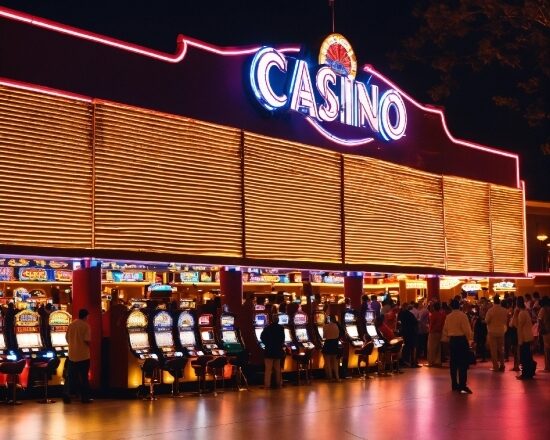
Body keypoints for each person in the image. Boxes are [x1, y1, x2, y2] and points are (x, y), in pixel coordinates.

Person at [442, 299, 473, 394]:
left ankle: (454, 384)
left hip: (453, 341)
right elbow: (467, 330)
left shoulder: (448, 317)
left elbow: (445, 330)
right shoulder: (463, 316)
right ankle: (462, 385)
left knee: (453, 364)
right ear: (459, 306)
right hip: (461, 340)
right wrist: (470, 340)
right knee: (463, 364)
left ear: (451, 307)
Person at [64, 308, 92, 403]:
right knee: (84, 377)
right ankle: (84, 398)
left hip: (72, 355)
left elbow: (67, 338)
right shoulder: (86, 326)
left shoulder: (71, 325)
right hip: (83, 355)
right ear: (86, 316)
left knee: (70, 377)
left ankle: (67, 396)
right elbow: (87, 340)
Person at [260, 314, 285, 389]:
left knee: (268, 369)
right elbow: (282, 339)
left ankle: (267, 385)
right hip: (277, 351)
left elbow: (262, 337)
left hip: (269, 351)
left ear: (271, 320)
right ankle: (279, 384)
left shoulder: (267, 328)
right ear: (278, 320)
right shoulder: (281, 328)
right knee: (278, 369)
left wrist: (267, 344)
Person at [485, 295, 508, 372]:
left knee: (493, 350)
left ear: (493, 301)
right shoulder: (504, 310)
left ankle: (496, 367)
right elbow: (505, 321)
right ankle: (502, 365)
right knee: (501, 349)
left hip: (492, 331)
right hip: (501, 331)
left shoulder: (490, 310)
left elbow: (487, 321)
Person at [516, 297, 536, 380]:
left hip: (524, 338)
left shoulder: (521, 313)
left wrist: (520, 340)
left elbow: (520, 328)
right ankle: (529, 373)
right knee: (528, 356)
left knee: (524, 357)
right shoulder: (526, 312)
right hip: (528, 336)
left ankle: (525, 374)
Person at [398, 303, 419, 367]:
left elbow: (399, 323)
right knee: (412, 347)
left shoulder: (400, 314)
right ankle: (413, 362)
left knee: (406, 347)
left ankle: (405, 361)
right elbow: (415, 322)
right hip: (411, 332)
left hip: (404, 332)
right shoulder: (410, 314)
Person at [322, 315, 341, 381]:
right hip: (335, 344)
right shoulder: (337, 326)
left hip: (328, 344)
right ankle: (337, 377)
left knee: (327, 362)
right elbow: (340, 334)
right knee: (335, 362)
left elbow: (324, 336)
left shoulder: (325, 326)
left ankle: (330, 377)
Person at [427, 302, 446, 367]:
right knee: (438, 347)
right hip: (440, 332)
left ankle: (431, 362)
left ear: (434, 307)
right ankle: (437, 361)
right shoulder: (442, 315)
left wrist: (429, 330)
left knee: (431, 347)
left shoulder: (433, 314)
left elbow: (431, 324)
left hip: (433, 332)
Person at [538, 296, 550, 372]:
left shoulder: (543, 309)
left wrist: (541, 329)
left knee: (547, 349)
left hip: (546, 331)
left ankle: (547, 367)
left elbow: (540, 320)